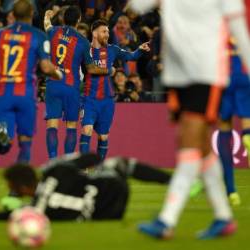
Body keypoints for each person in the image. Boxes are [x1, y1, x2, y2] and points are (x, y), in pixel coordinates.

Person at [130, 0, 250, 239]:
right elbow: (138, 5)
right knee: (202, 146)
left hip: (206, 72)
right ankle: (223, 217)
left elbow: (239, 30)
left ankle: (167, 220)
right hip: (178, 75)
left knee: (188, 144)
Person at [0, 0, 62, 163]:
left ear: (13, 15)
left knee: (3, 146)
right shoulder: (39, 36)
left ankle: (2, 136)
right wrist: (58, 74)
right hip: (26, 93)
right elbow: (46, 67)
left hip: (4, 92)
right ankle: (18, 187)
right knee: (25, 143)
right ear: (32, 14)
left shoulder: (0, 34)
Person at [0, 153, 171, 221]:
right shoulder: (56, 171)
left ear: (22, 189)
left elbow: (0, 216)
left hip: (106, 216)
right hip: (115, 190)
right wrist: (71, 169)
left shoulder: (35, 211)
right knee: (118, 163)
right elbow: (94, 157)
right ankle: (172, 182)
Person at [43, 6, 114, 159]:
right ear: (79, 20)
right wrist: (108, 70)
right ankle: (68, 161)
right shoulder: (82, 42)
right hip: (71, 87)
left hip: (53, 84)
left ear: (63, 19)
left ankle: (53, 161)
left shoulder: (53, 31)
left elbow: (47, 25)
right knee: (71, 126)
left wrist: (47, 15)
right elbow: (91, 69)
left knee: (52, 125)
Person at [79, 19, 150, 159]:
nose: (107, 34)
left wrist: (140, 50)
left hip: (107, 100)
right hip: (89, 98)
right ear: (94, 33)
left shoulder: (112, 49)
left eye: (107, 32)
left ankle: (99, 167)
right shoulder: (85, 50)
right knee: (86, 130)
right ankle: (83, 167)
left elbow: (131, 56)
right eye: (103, 31)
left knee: (103, 136)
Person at [217, 37, 250, 206]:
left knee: (224, 127)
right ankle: (247, 136)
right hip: (244, 69)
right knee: (247, 119)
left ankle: (231, 191)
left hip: (223, 72)